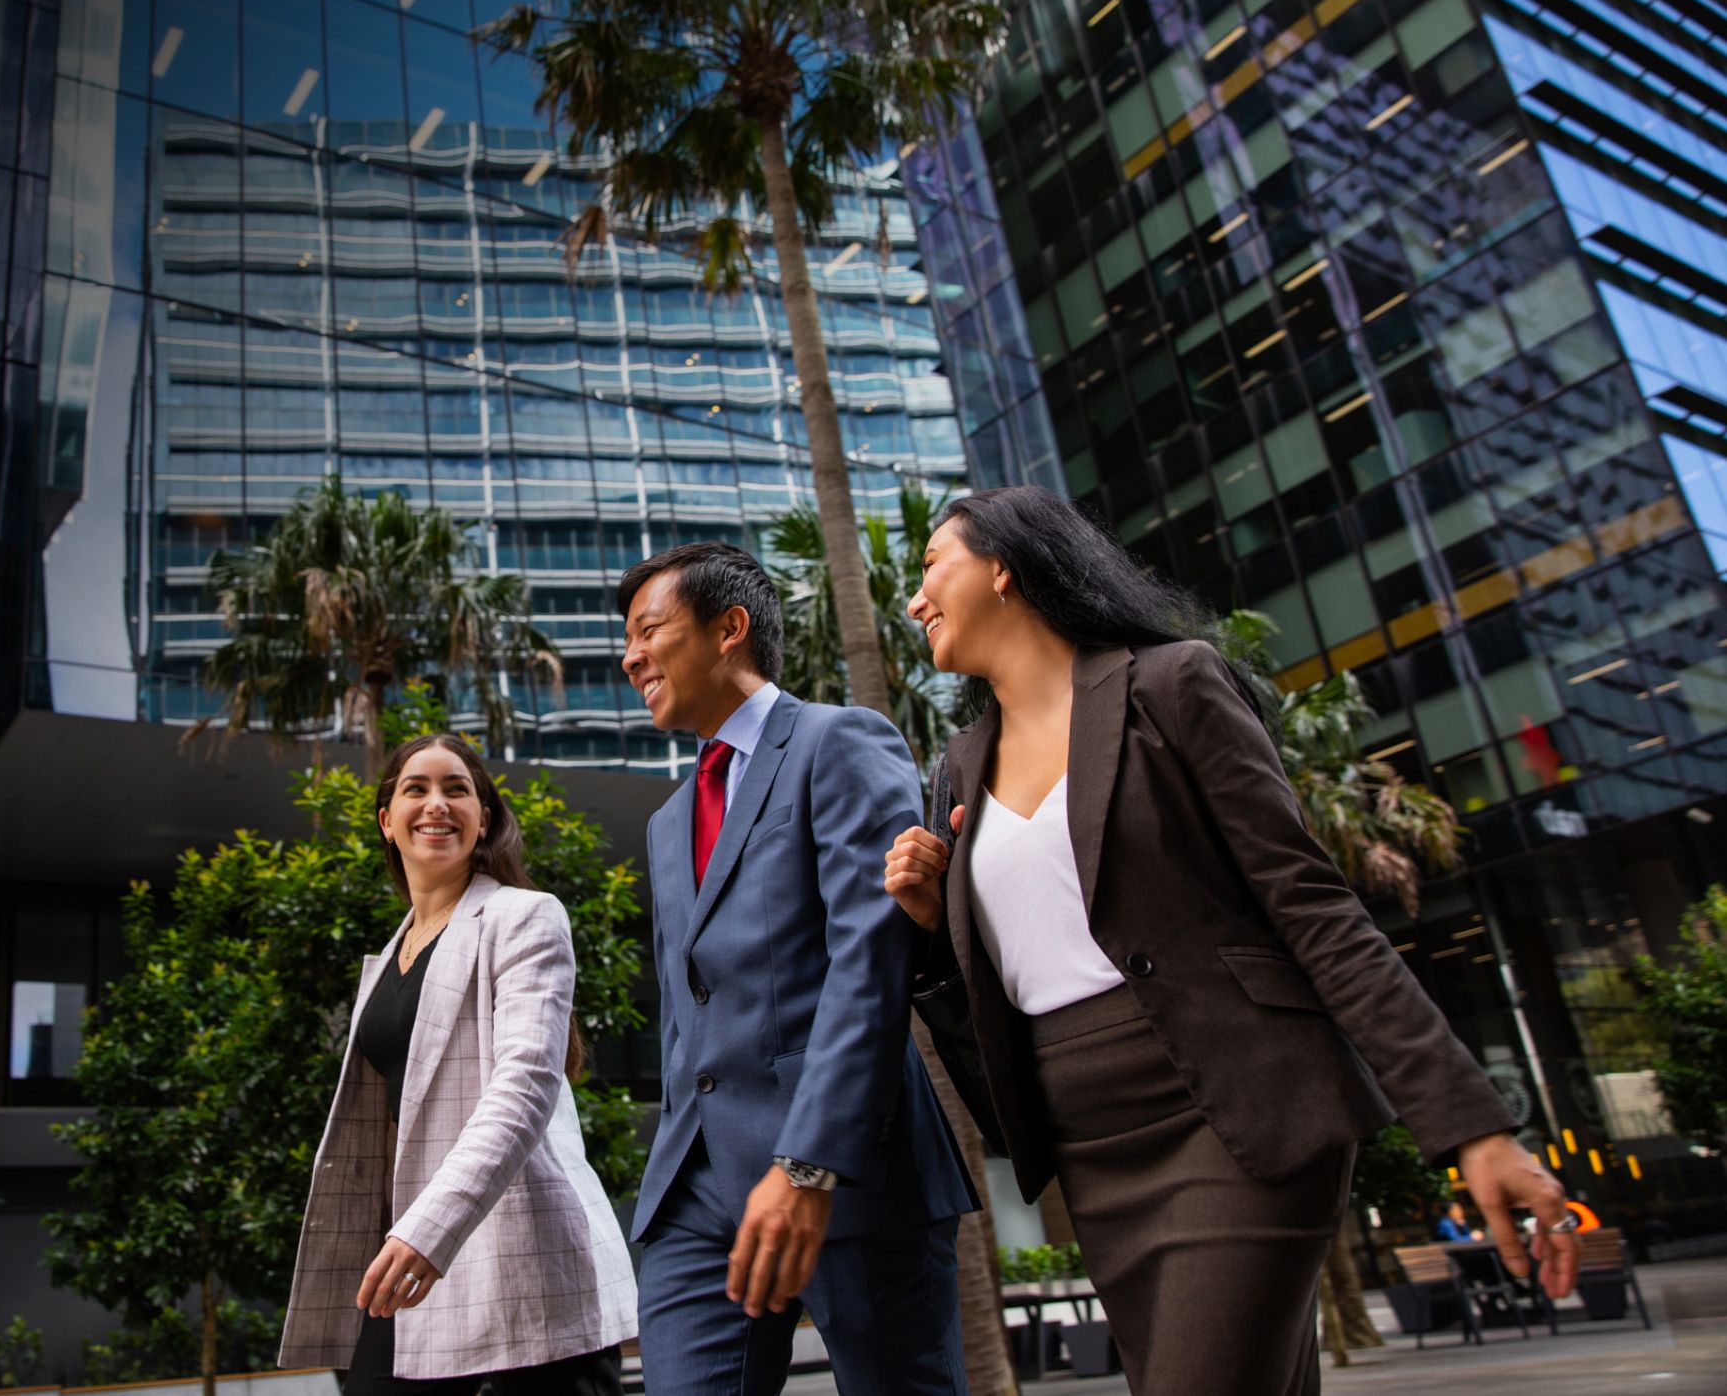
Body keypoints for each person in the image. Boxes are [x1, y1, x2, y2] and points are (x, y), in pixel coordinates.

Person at [882, 486, 1580, 1396]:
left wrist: (1473, 1129)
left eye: (933, 565)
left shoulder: (1171, 684)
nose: (914, 598)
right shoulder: (960, 764)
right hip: (1093, 1153)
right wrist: (934, 926)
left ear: (1006, 566)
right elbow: (994, 986)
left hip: (1235, 1114)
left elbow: (1313, 908)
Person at [618, 542, 973, 1396]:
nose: (630, 658)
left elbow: (872, 958)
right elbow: (684, 1010)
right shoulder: (669, 822)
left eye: (647, 631)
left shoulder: (837, 742)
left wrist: (810, 1162)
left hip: (847, 1172)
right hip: (695, 1196)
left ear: (729, 628)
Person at [278, 734, 636, 1395]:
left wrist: (427, 1229)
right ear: (387, 821)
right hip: (411, 1266)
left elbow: (524, 1087)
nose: (436, 804)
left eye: (457, 789)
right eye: (415, 789)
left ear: (485, 819)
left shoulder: (524, 917)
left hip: (516, 1267)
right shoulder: (386, 960)